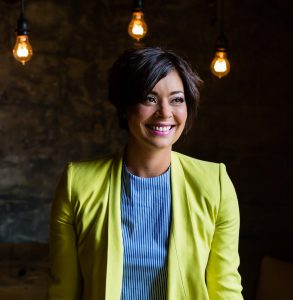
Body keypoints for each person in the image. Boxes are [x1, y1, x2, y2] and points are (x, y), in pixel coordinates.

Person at [47, 47, 243, 300]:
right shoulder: (78, 183)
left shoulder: (214, 183)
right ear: (125, 107)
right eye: (149, 98)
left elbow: (225, 288)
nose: (165, 112)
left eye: (177, 99)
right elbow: (63, 291)